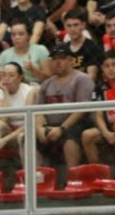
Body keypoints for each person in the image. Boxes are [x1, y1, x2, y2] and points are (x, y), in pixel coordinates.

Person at [35, 43, 96, 171]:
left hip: (76, 124)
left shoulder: (82, 79)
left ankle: (73, 179)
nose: (57, 62)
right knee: (27, 138)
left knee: (70, 138)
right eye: (54, 59)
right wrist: (39, 128)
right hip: (51, 125)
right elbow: (38, 111)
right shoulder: (46, 84)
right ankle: (37, 180)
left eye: (61, 58)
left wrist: (62, 128)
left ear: (70, 60)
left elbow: (82, 109)